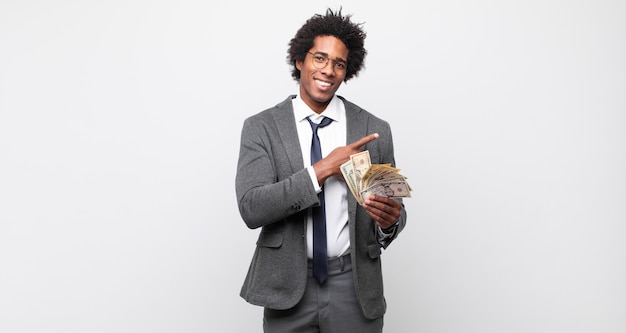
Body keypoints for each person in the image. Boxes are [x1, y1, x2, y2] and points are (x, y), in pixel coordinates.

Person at [235, 8, 407, 333]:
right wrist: (321, 170)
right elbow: (252, 208)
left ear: (347, 71)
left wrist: (389, 222)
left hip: (353, 287)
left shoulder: (372, 129)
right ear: (300, 60)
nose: (328, 70)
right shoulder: (262, 128)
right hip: (288, 288)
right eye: (319, 58)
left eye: (338, 64)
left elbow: (395, 212)